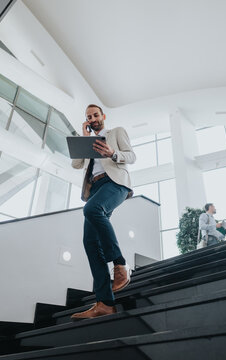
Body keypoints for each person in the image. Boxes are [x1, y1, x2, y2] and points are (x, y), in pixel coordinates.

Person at [70, 104, 136, 320]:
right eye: (88, 116)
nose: (92, 118)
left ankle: (120, 264)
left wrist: (113, 153)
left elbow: (131, 156)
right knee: (89, 242)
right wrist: (83, 138)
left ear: (103, 116)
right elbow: (76, 164)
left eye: (95, 115)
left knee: (92, 209)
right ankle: (105, 304)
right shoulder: (87, 142)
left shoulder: (116, 132)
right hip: (95, 188)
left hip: (115, 183)